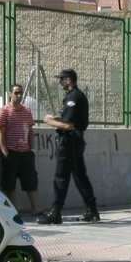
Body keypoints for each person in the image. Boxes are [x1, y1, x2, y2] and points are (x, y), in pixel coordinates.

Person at [37, 68, 99, 225]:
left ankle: (55, 212)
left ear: (69, 80)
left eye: (62, 79)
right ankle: (92, 210)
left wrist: (49, 121)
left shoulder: (72, 97)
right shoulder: (78, 96)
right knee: (80, 177)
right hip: (76, 141)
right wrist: (58, 117)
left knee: (61, 178)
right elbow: (72, 119)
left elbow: (69, 125)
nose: (60, 82)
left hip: (69, 142)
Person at [0, 83, 42, 217]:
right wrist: (5, 152)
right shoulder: (4, 111)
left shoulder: (27, 111)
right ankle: (15, 210)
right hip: (11, 153)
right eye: (16, 92)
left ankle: (36, 208)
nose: (19, 95)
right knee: (9, 185)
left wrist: (32, 150)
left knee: (31, 182)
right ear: (10, 94)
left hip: (26, 153)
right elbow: (0, 132)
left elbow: (30, 130)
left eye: (20, 92)